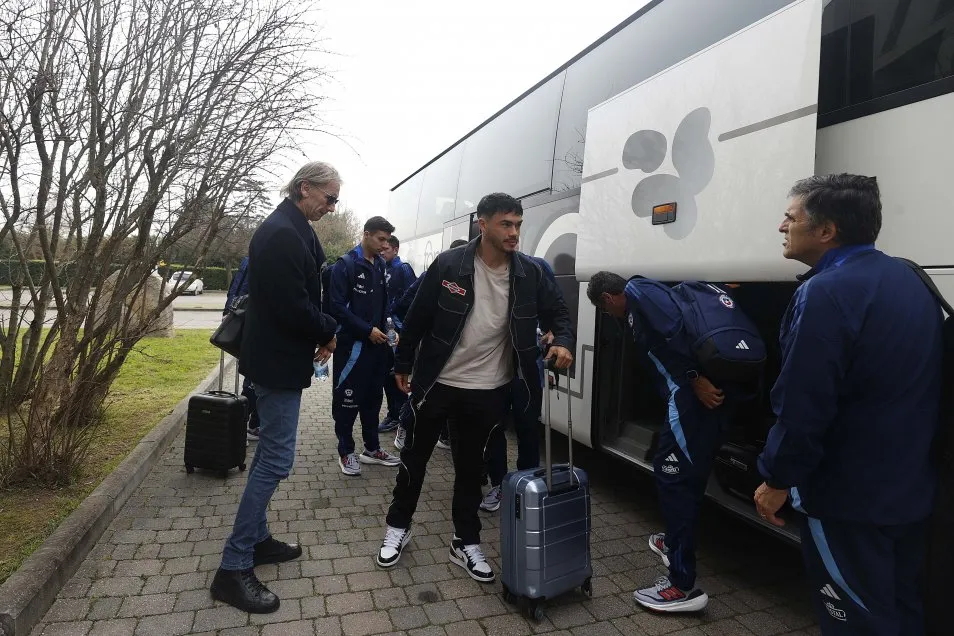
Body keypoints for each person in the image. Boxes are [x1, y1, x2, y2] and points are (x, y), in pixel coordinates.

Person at [754, 174, 942, 635]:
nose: (782, 226)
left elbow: (803, 405)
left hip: (846, 498)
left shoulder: (825, 293)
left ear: (826, 231)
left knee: (856, 619)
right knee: (901, 607)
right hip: (909, 489)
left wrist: (777, 479)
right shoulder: (908, 276)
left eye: (791, 217)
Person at [375, 193, 575, 583]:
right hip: (437, 384)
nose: (514, 232)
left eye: (518, 224)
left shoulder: (530, 273)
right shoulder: (450, 265)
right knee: (414, 462)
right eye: (506, 224)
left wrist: (564, 339)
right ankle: (398, 527)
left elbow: (559, 313)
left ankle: (465, 541)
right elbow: (416, 317)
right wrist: (403, 363)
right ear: (483, 225)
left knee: (470, 471)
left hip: (489, 389)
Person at [211, 162, 340, 614]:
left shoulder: (294, 224)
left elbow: (305, 292)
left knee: (268, 455)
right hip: (276, 364)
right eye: (329, 197)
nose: (332, 206)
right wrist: (328, 330)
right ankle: (233, 566)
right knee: (276, 461)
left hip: (278, 359)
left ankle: (259, 540)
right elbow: (293, 306)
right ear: (305, 188)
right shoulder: (282, 232)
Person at [587, 271, 756, 612]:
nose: (612, 317)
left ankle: (682, 586)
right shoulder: (652, 289)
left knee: (672, 478)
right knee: (690, 477)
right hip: (702, 401)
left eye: (607, 312)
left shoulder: (638, 296)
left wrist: (694, 380)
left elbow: (673, 335)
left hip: (688, 401)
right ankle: (675, 540)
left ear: (607, 300)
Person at [481, 254, 557, 512]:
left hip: (526, 369)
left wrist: (554, 335)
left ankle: (527, 485)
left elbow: (554, 311)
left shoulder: (536, 267)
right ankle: (500, 485)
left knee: (527, 429)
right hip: (492, 366)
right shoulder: (485, 267)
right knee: (493, 428)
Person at [329, 216, 402, 476]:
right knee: (347, 402)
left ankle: (372, 449)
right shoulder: (345, 265)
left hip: (378, 349)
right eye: (381, 239)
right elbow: (336, 307)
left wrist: (389, 328)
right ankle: (346, 452)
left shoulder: (382, 264)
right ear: (366, 234)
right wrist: (366, 330)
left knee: (373, 400)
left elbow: (383, 306)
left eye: (387, 240)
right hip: (353, 348)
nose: (385, 245)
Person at [388, 239, 470, 451]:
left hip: (460, 352)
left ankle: (445, 435)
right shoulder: (433, 275)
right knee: (423, 393)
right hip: (434, 347)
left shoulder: (473, 278)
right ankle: (405, 427)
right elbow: (406, 305)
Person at [379, 236, 416, 433]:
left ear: (395, 249)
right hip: (385, 331)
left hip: (398, 331)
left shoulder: (403, 269)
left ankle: (399, 415)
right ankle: (395, 413)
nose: (382, 252)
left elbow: (412, 300)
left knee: (395, 374)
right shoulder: (383, 268)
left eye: (386, 250)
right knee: (386, 374)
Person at [223, 255, 259, 441]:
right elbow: (239, 289)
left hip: (255, 324)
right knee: (253, 381)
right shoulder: (255, 259)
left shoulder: (252, 258)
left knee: (257, 380)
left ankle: (254, 424)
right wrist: (229, 312)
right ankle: (240, 426)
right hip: (251, 324)